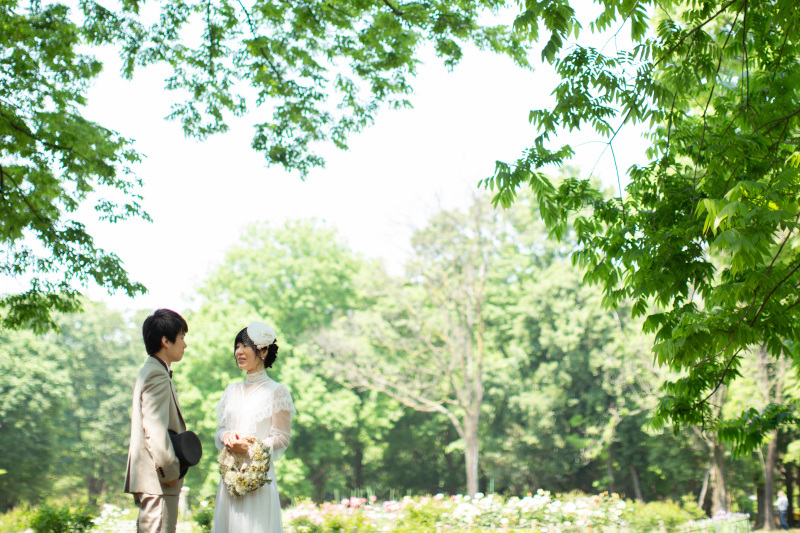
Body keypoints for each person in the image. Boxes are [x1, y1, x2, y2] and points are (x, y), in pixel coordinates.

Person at [212, 321, 296, 533]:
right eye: (237, 346)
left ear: (264, 350)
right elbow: (220, 429)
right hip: (229, 479)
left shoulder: (277, 391)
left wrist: (250, 447)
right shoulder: (231, 390)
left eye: (245, 346)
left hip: (258, 480)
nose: (238, 352)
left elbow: (282, 436)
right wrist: (226, 436)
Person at [124, 309, 189, 533]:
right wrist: (170, 471)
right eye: (181, 338)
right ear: (165, 341)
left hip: (154, 480)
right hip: (159, 481)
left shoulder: (152, 370)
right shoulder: (156, 374)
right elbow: (155, 428)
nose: (185, 345)